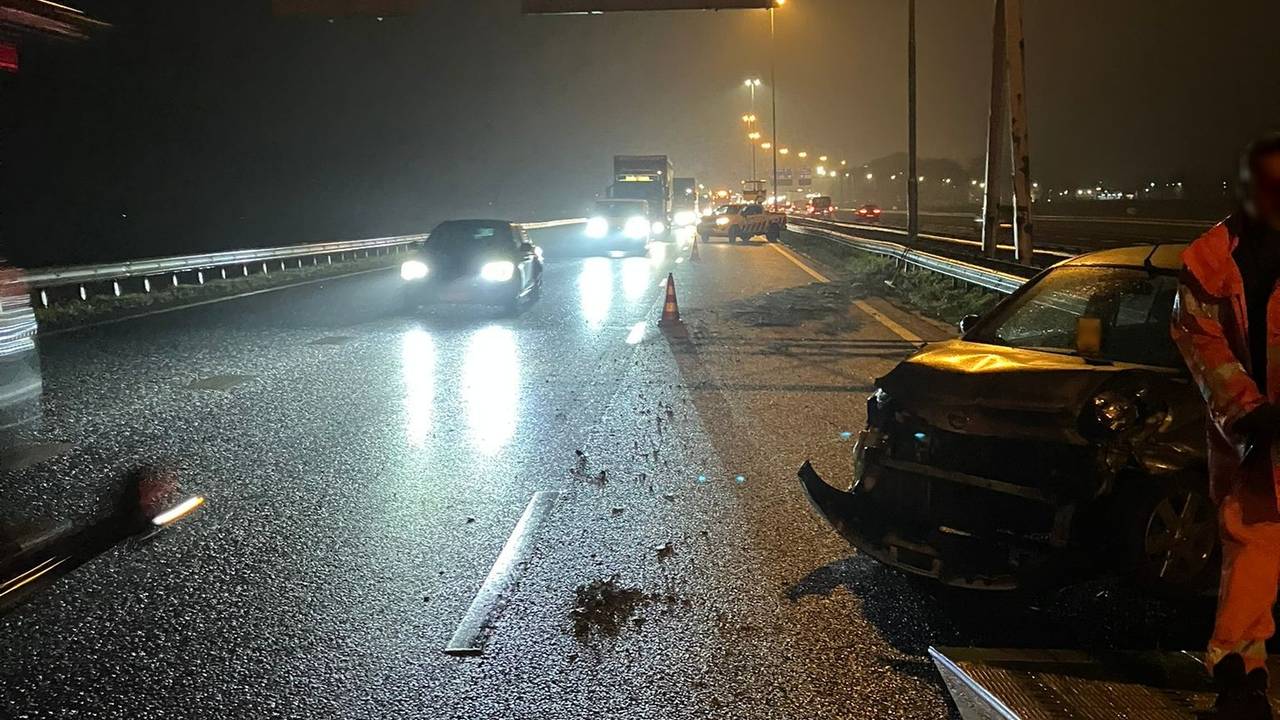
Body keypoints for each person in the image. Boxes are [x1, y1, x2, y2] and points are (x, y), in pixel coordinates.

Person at [1172, 132, 1280, 718]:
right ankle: (1241, 676)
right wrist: (1250, 411)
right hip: (1257, 441)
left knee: (1255, 549)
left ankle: (1242, 672)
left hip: (1256, 432)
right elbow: (1199, 337)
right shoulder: (1211, 261)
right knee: (1255, 545)